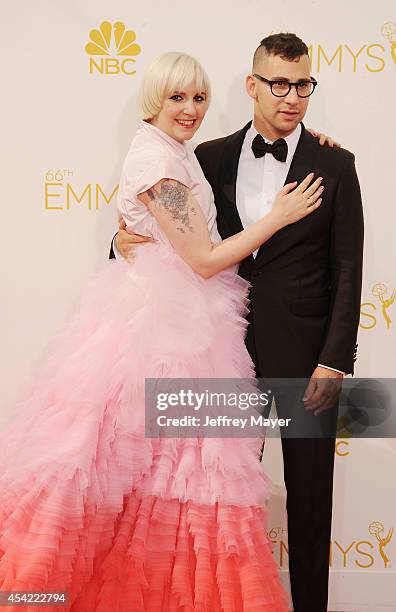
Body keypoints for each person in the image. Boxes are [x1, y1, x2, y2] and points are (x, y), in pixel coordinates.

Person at [0, 52, 328, 611]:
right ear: (154, 99)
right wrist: (277, 216)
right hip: (161, 329)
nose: (191, 109)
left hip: (190, 322)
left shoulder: (179, 152)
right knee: (143, 468)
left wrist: (310, 141)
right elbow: (202, 258)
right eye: (177, 98)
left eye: (199, 98)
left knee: (177, 475)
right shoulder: (156, 159)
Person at [113, 35, 364, 612]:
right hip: (219, 355)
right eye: (278, 83)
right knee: (221, 506)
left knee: (308, 506)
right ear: (252, 85)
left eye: (303, 84)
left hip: (305, 361)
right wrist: (117, 240)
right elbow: (169, 233)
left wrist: (334, 359)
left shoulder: (334, 162)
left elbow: (348, 267)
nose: (292, 97)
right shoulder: (206, 156)